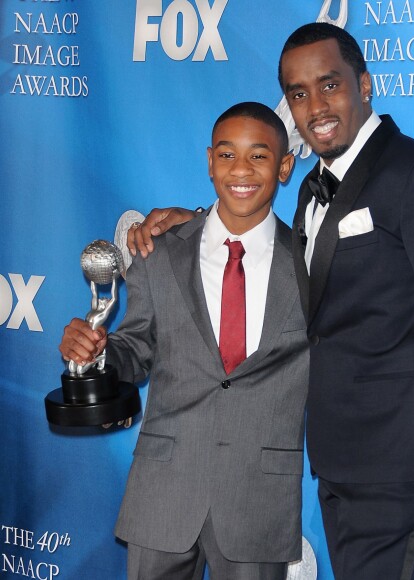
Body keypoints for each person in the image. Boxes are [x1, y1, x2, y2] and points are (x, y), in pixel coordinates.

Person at [128, 23, 414, 580]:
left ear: (366, 85)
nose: (315, 106)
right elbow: (277, 263)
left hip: (404, 460)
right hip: (339, 458)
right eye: (299, 94)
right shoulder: (310, 188)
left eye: (329, 85)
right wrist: (200, 225)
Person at [59, 102, 309, 580]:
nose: (241, 170)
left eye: (259, 156)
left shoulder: (309, 264)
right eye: (227, 155)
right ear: (209, 161)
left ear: (284, 166)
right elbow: (136, 349)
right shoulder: (159, 253)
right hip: (164, 490)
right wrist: (98, 353)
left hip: (259, 499)